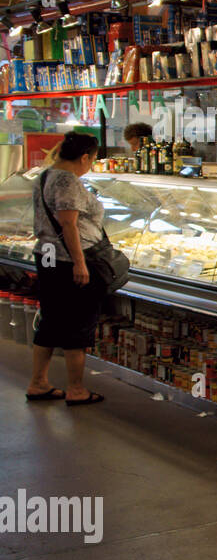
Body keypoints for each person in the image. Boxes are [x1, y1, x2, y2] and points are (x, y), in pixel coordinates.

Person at [27, 132, 109, 406]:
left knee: (51, 319)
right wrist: (80, 263)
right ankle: (76, 389)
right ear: (85, 157)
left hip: (48, 257)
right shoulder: (67, 180)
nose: (91, 165)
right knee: (77, 322)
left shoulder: (47, 175)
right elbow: (68, 224)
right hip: (67, 261)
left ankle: (38, 382)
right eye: (93, 159)